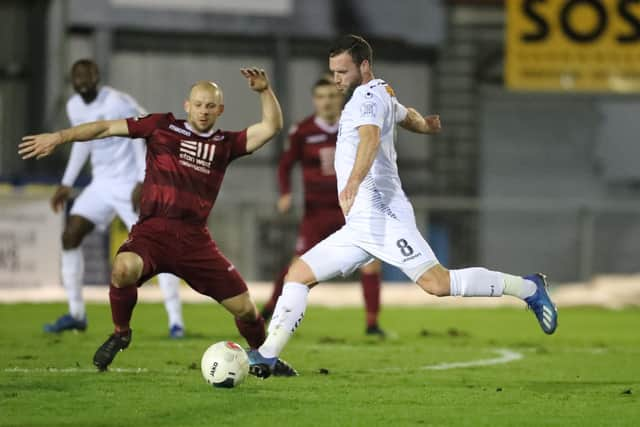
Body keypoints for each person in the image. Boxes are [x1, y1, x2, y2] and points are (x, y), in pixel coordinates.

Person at [246, 35, 559, 379]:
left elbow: (368, 139)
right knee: (298, 275)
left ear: (363, 66)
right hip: (360, 224)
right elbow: (403, 114)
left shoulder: (366, 98)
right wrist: (424, 125)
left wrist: (352, 180)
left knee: (437, 283)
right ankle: (268, 356)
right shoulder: (380, 92)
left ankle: (529, 287)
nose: (336, 79)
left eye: (342, 71)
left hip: (383, 215)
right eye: (332, 72)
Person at [20, 68, 297, 376]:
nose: (203, 111)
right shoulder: (161, 126)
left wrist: (263, 91)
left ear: (220, 110)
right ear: (187, 105)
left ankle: (265, 357)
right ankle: (121, 333)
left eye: (210, 106)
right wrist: (59, 137)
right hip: (152, 232)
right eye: (198, 104)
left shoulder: (225, 144)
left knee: (245, 308)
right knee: (123, 268)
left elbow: (271, 127)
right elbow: (104, 129)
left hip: (194, 241)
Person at [44, 59, 185, 338]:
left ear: (97, 77)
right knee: (70, 235)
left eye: (87, 76)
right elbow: (82, 144)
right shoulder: (74, 106)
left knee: (158, 247)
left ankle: (175, 321)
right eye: (77, 78)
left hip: (129, 183)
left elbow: (146, 136)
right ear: (72, 82)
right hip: (101, 185)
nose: (82, 82)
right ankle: (76, 314)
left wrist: (143, 180)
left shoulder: (119, 102)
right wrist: (66, 183)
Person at [263, 76, 385, 336]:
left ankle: (372, 324)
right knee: (298, 266)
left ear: (340, 98)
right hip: (316, 213)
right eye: (321, 97)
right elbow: (286, 164)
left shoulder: (356, 127)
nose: (327, 102)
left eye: (331, 96)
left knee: (371, 263)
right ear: (314, 100)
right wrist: (285, 193)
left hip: (352, 209)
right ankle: (269, 309)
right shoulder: (303, 131)